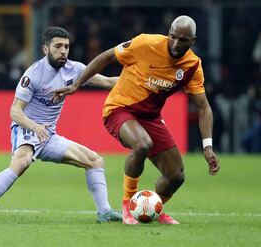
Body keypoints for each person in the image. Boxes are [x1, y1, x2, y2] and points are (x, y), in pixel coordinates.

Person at [53, 16, 220, 225]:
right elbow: (106, 57)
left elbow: (203, 107)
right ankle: (127, 206)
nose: (176, 44)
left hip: (150, 117)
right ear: (169, 33)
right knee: (142, 145)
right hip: (119, 108)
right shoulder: (145, 43)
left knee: (176, 176)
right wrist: (77, 85)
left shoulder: (192, 66)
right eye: (173, 37)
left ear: (193, 40)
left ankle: (154, 208)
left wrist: (208, 146)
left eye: (183, 40)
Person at [0, 26, 122, 223]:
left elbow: (108, 82)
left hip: (48, 135)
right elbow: (15, 111)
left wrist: (140, 79)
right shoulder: (33, 74)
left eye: (66, 46)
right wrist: (34, 126)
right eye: (58, 46)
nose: (63, 50)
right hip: (27, 129)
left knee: (95, 161)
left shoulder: (76, 69)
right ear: (45, 49)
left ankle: (105, 212)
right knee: (21, 162)